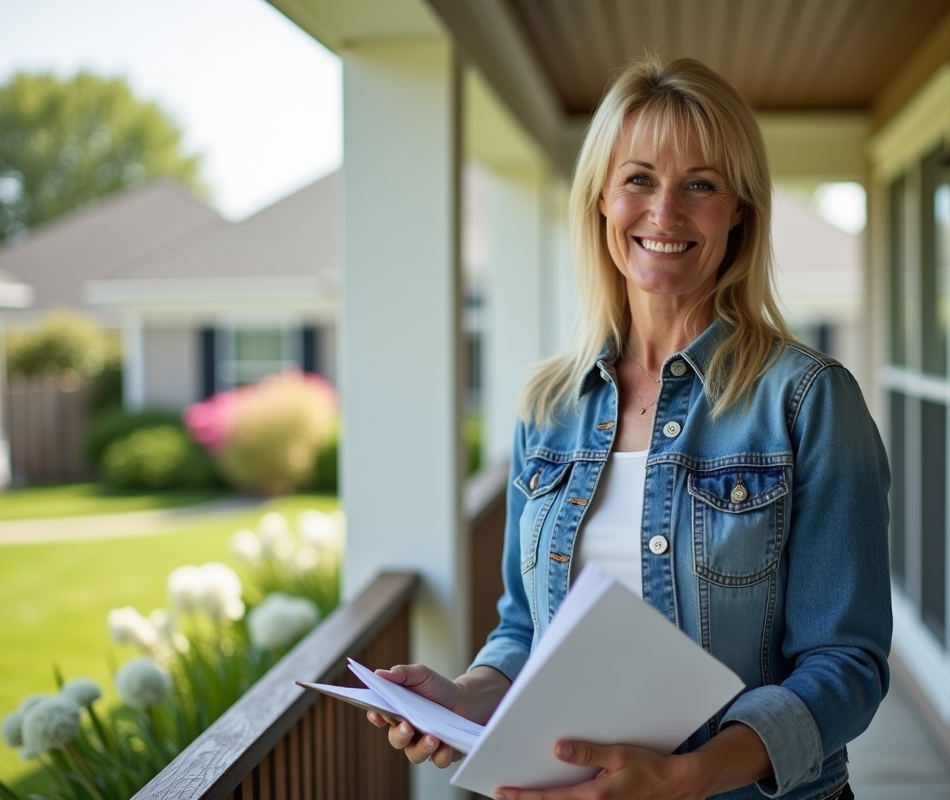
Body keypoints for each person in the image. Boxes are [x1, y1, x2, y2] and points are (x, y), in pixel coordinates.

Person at [368, 54, 891, 800]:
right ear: (601, 201)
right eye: (639, 179)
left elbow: (848, 665)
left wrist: (692, 776)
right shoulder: (549, 406)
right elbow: (525, 632)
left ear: (739, 209)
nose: (665, 213)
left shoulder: (808, 400)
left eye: (700, 185)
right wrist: (465, 696)